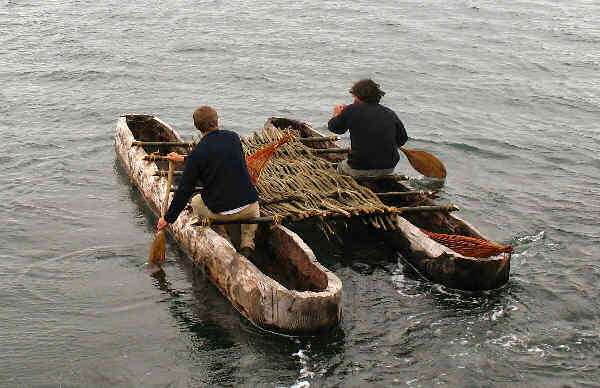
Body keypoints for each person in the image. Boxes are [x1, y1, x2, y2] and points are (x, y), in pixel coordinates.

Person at [156, 106, 260, 257]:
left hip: (219, 213)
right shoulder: (233, 138)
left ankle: (223, 235)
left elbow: (184, 190)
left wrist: (167, 219)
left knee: (196, 200)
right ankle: (247, 244)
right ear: (217, 121)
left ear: (197, 127)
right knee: (253, 203)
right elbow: (219, 158)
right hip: (248, 209)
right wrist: (186, 159)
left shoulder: (198, 152)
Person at [328, 79, 408, 177]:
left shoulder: (352, 109)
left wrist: (337, 115)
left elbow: (335, 128)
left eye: (354, 96)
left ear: (358, 96)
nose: (354, 99)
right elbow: (402, 139)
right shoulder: (390, 113)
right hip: (388, 168)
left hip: (358, 167)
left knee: (340, 167)